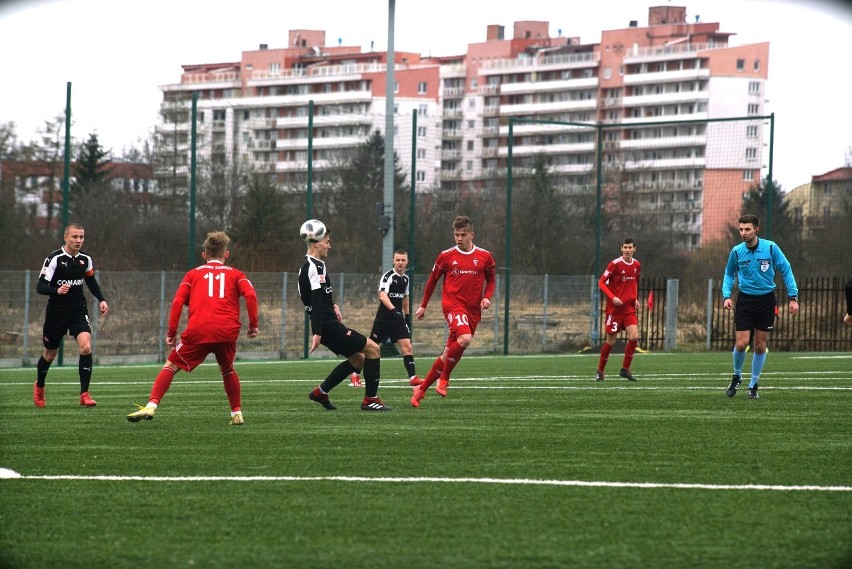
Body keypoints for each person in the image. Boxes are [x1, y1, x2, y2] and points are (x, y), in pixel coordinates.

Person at [127, 231, 258, 425]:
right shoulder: (237, 274)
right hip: (227, 331)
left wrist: (171, 333)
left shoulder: (193, 274)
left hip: (199, 331)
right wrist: (253, 325)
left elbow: (178, 301)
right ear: (226, 254)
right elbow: (251, 296)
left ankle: (151, 405)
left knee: (170, 366)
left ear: (204, 255)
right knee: (228, 370)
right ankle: (236, 414)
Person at [298, 220, 390, 411]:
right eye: (327, 241)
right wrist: (317, 332)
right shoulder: (316, 266)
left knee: (358, 359)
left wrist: (333, 305)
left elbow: (316, 296)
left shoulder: (308, 265)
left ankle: (321, 392)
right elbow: (314, 300)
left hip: (327, 324)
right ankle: (370, 400)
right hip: (328, 327)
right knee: (373, 350)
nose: (329, 245)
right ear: (316, 243)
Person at [411, 215, 496, 408]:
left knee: (449, 352)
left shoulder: (485, 256)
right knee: (465, 339)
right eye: (456, 234)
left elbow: (491, 279)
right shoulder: (446, 256)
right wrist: (423, 305)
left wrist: (486, 297)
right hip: (452, 305)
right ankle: (444, 379)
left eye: (463, 234)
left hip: (473, 310)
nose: (459, 238)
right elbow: (432, 280)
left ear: (471, 235)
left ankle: (420, 390)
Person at [722, 214, 799, 400]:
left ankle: (753, 384)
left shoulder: (770, 248)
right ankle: (737, 376)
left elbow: (786, 269)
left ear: (756, 230)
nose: (743, 233)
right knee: (741, 343)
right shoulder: (736, 251)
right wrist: (726, 296)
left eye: (747, 229)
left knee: (759, 346)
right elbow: (729, 274)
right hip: (745, 300)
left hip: (766, 301)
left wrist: (793, 297)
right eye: (740, 229)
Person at [34, 223, 109, 408]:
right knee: (50, 355)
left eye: (81, 237)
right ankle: (40, 386)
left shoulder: (85, 260)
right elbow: (40, 286)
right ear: (65, 237)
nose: (78, 240)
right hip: (56, 314)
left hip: (78, 311)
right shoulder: (54, 259)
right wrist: (56, 290)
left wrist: (101, 299)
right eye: (75, 237)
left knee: (85, 347)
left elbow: (90, 281)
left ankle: (84, 394)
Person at [349, 250, 421, 388]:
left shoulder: (405, 279)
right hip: (384, 320)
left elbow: (405, 298)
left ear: (407, 262)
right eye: (398, 260)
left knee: (407, 347)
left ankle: (413, 377)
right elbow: (382, 295)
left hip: (398, 320)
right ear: (393, 261)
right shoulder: (387, 277)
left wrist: (407, 316)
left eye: (403, 260)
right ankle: (355, 374)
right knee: (371, 349)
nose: (400, 263)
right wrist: (394, 310)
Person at [595, 237, 641, 382]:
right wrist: (613, 297)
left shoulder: (637, 265)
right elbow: (601, 282)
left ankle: (625, 369)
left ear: (634, 249)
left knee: (634, 337)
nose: (627, 250)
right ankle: (600, 371)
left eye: (630, 248)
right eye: (625, 247)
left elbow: (634, 282)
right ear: (621, 248)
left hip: (628, 308)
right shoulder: (614, 264)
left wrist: (636, 298)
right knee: (611, 342)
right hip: (614, 310)